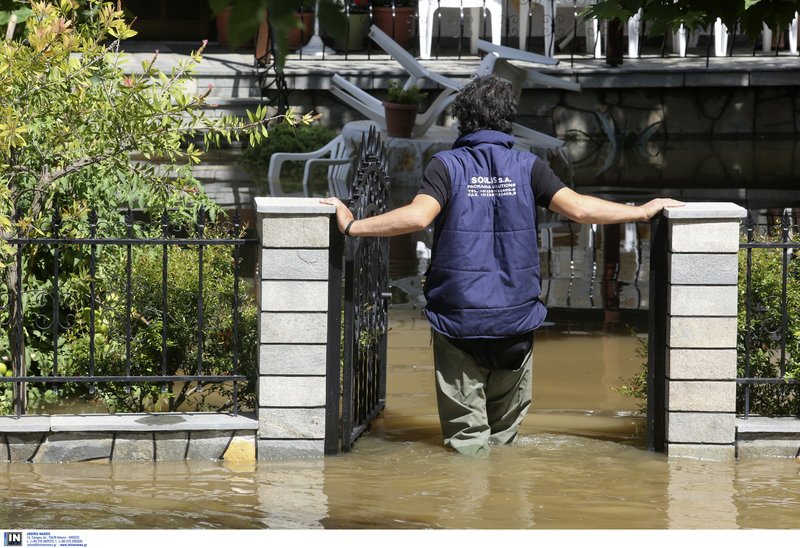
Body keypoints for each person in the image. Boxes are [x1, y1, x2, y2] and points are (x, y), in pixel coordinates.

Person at [321, 74, 684, 456]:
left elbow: (417, 219)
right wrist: (643, 211)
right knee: (504, 439)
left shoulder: (445, 166)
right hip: (515, 319)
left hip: (459, 320)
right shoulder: (528, 166)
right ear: (507, 119)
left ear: (462, 119)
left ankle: (471, 506)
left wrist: (352, 225)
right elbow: (578, 209)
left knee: (467, 444)